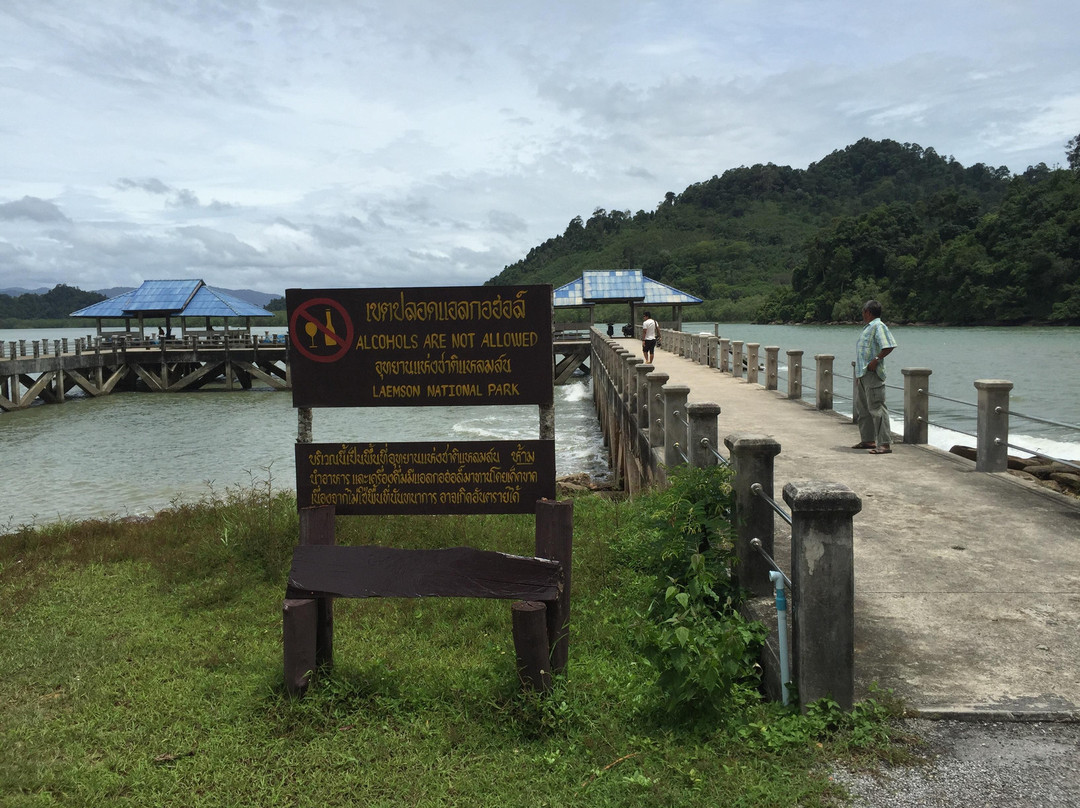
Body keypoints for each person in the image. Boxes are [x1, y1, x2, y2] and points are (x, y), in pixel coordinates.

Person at [853, 300, 897, 454]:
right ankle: (868, 440)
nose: (862, 314)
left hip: (873, 374)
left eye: (863, 312)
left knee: (877, 408)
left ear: (868, 312)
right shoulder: (869, 328)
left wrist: (876, 360)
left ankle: (884, 443)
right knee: (864, 409)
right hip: (864, 374)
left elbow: (889, 345)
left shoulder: (878, 326)